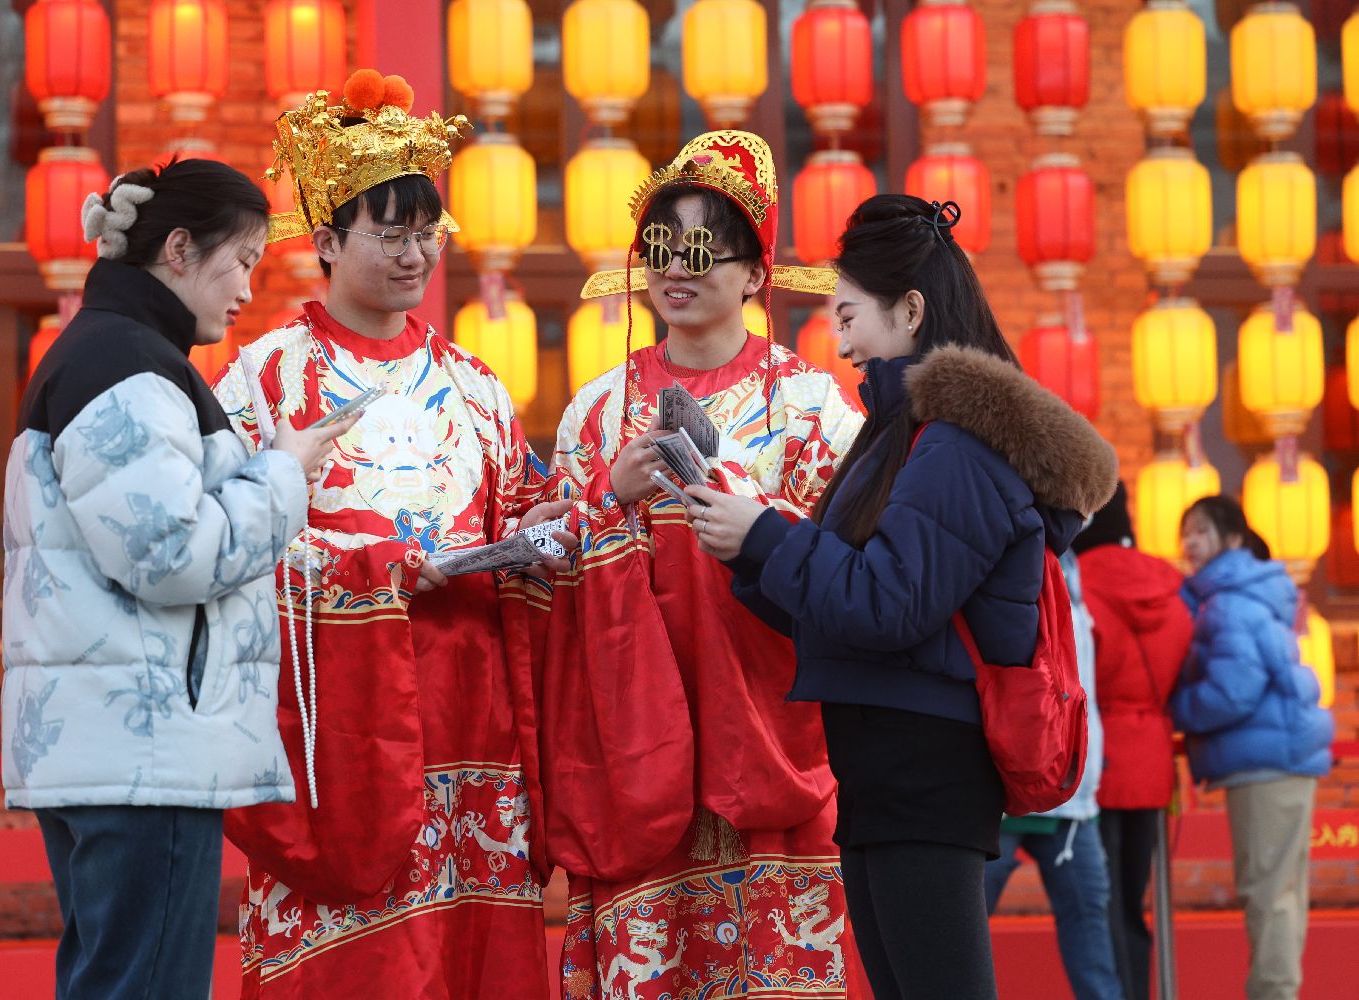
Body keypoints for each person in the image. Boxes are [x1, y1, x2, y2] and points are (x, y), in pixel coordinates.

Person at [689, 194, 1119, 1000]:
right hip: (885, 765)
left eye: (849, 316)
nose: (841, 341)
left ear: (911, 311)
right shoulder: (905, 433)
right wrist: (744, 544)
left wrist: (769, 537)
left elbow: (889, 605)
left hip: (927, 768)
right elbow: (849, 606)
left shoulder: (958, 446)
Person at [212, 70, 569, 998]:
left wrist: (542, 530)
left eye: (427, 232)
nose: (416, 255)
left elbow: (519, 511)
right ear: (327, 240)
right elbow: (227, 546)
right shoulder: (265, 383)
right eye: (391, 234)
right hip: (344, 742)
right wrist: (379, 571)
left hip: (472, 724)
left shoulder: (476, 387)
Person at [1, 158, 352, 999]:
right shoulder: (127, 366)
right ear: (180, 249)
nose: (246, 290)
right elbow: (170, 554)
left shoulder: (110, 352)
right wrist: (283, 473)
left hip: (112, 742)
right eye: (242, 262)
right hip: (143, 748)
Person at [541, 130, 863, 999]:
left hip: (768, 726)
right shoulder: (596, 410)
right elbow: (541, 562)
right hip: (633, 743)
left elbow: (848, 563)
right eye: (658, 248)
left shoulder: (810, 405)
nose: (673, 271)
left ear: (755, 273)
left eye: (699, 251)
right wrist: (606, 496)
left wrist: (752, 519)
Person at [1171, 495, 1333, 1000]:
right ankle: (1279, 991)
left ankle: (1274, 994)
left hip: (1267, 763)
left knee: (1266, 890)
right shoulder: (1245, 592)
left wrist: (1173, 709)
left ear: (1233, 539)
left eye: (1202, 531)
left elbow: (1232, 690)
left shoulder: (1228, 602)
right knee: (1282, 891)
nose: (1190, 542)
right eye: (1186, 532)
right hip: (1283, 756)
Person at [983, 545, 1123, 1000]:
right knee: (957, 938)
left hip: (1070, 791)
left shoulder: (1073, 567)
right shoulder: (1008, 551)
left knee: (1092, 939)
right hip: (1005, 785)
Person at [1072, 483, 1192, 1000]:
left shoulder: (1078, 585)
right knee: (1133, 899)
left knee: (1102, 904)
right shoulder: (1172, 592)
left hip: (1097, 762)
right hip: (1152, 764)